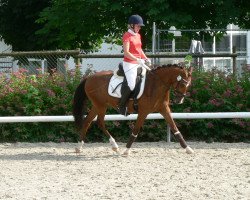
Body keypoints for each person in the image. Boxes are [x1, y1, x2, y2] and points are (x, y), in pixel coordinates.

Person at [118, 14, 151, 116]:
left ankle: (137, 103)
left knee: (149, 77)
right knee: (132, 85)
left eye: (140, 26)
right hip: (129, 63)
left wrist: (145, 58)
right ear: (132, 25)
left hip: (139, 61)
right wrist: (137, 59)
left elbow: (139, 49)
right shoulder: (126, 36)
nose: (139, 28)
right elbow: (126, 52)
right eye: (138, 26)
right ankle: (121, 105)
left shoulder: (138, 35)